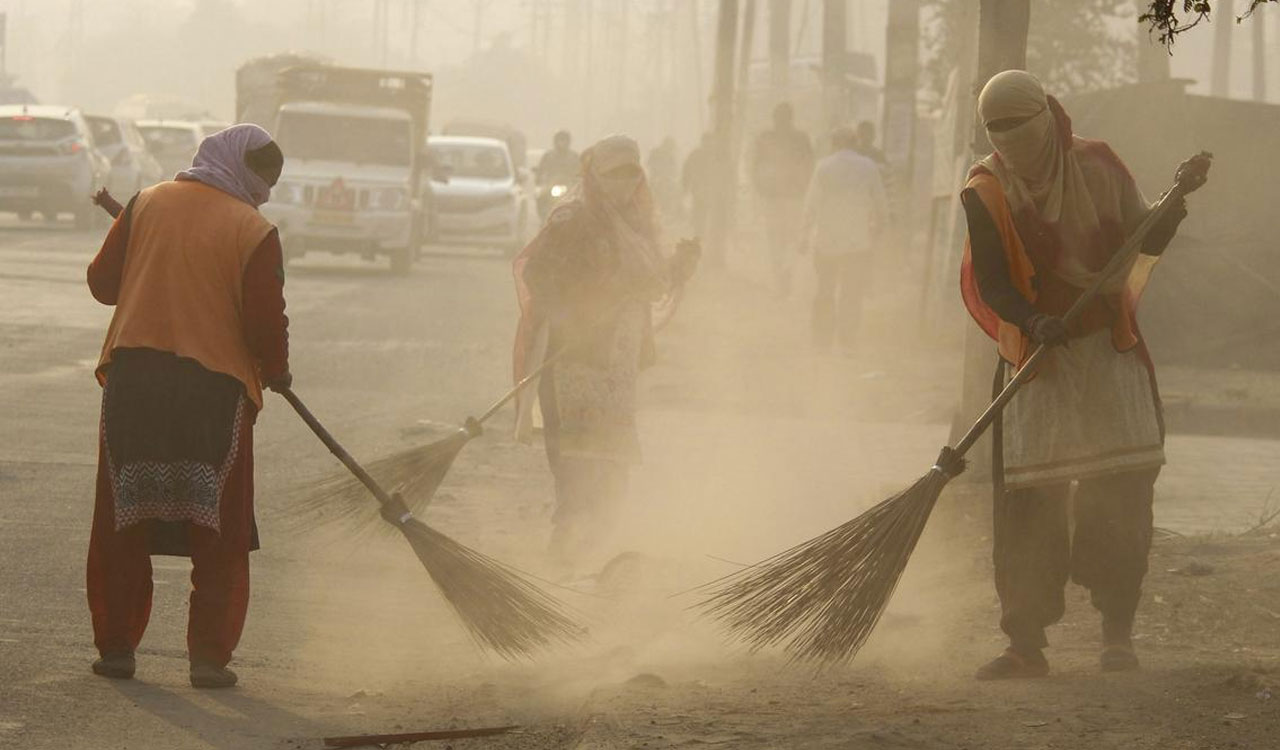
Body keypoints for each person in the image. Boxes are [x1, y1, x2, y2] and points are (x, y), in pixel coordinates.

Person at [959, 70, 1207, 680]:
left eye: (1021, 125)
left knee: (1118, 495)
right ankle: (1026, 644)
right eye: (998, 130)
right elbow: (992, 283)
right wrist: (1033, 317)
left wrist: (1175, 200)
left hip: (1104, 349)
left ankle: (1116, 634)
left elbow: (1141, 241)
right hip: (1036, 360)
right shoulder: (985, 190)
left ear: (1048, 116)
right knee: (1029, 506)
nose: (1011, 140)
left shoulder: (1097, 165)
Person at [85, 124, 291, 689]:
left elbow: (103, 284)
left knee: (124, 517)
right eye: (263, 181)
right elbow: (263, 323)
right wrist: (277, 369)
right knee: (217, 527)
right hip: (213, 390)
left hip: (136, 380)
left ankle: (117, 648)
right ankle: (207, 659)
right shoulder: (254, 230)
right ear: (244, 172)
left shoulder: (147, 203)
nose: (266, 193)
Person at [512, 135, 698, 568]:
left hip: (616, 367)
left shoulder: (639, 224)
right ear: (594, 175)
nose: (626, 181)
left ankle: (594, 561)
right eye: (615, 172)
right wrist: (581, 310)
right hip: (573, 360)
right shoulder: (571, 220)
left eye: (633, 172)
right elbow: (539, 277)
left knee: (613, 467)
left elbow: (651, 283)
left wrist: (680, 268)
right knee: (576, 466)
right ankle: (563, 560)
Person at [799, 126, 887, 353]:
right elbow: (880, 204)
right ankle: (847, 342)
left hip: (826, 242)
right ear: (855, 142)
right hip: (858, 243)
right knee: (851, 293)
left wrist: (804, 235)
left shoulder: (823, 167)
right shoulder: (868, 167)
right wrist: (879, 229)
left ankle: (821, 341)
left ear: (834, 143)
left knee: (825, 289)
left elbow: (810, 205)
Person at [751, 103, 815, 298]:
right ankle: (784, 273)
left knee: (776, 239)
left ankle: (781, 275)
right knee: (790, 238)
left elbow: (755, 167)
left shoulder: (766, 138)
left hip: (775, 198)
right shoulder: (800, 138)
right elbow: (810, 165)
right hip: (793, 197)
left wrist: (760, 189)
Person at [681, 132, 716, 240]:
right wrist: (686, 187)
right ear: (703, 142)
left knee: (711, 217)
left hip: (713, 192)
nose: (708, 144)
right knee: (700, 216)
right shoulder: (696, 155)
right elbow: (687, 171)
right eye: (706, 141)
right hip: (699, 191)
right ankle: (699, 237)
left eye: (710, 142)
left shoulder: (716, 156)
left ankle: (707, 237)